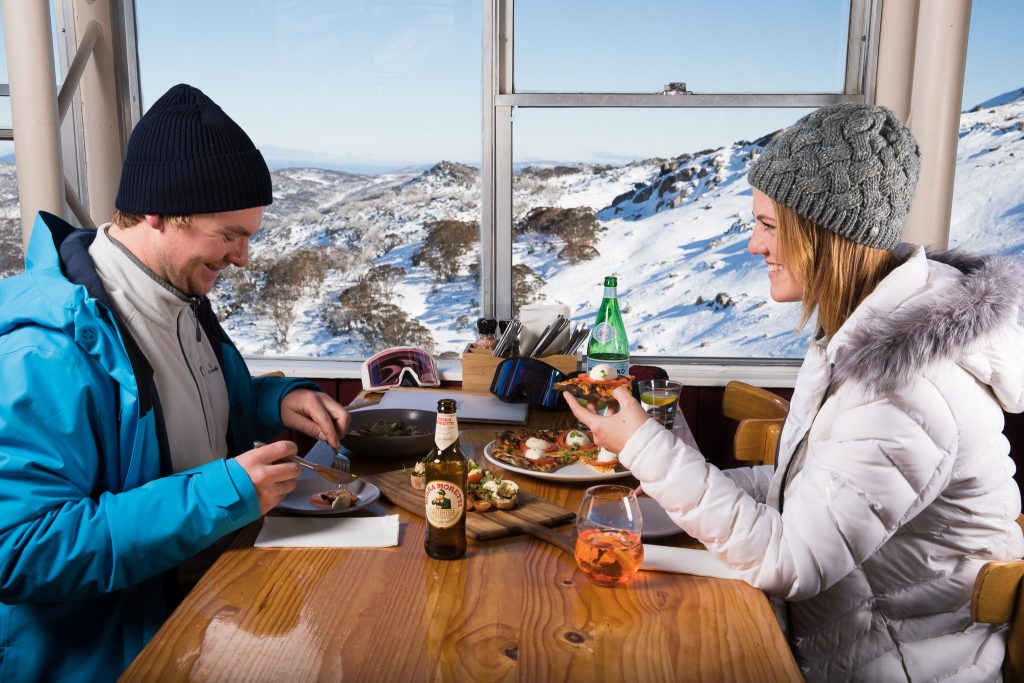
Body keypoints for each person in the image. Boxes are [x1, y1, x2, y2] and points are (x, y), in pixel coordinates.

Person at [569, 103, 1024, 682]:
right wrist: (664, 487)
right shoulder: (864, 338)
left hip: (897, 666)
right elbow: (813, 487)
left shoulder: (906, 389)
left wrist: (644, 444)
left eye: (770, 225)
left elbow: (793, 561)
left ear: (830, 236)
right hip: (840, 641)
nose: (756, 246)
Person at [0, 84, 351, 682]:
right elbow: (22, 550)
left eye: (250, 235)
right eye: (228, 234)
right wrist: (221, 494)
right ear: (158, 211)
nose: (242, 257)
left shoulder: (179, 294)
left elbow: (196, 415)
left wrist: (276, 398)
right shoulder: (43, 350)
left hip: (212, 610)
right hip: (121, 656)